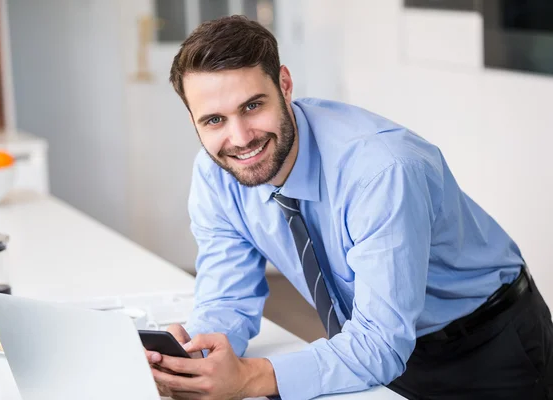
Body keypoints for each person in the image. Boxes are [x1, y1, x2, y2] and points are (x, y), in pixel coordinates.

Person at [145, 15, 553, 400]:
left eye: (252, 106)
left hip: (486, 345)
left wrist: (249, 377)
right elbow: (227, 298)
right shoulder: (218, 173)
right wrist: (197, 357)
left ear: (284, 85)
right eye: (214, 120)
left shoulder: (381, 171)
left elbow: (381, 342)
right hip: (376, 350)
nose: (239, 138)